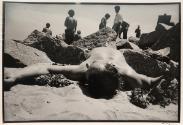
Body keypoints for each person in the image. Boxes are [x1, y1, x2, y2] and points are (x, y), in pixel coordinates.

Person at [4, 47, 163, 98]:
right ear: (113, 68)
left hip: (95, 52)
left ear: (87, 69)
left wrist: (16, 76)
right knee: (136, 78)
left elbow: (44, 66)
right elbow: (147, 81)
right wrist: (151, 82)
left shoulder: (82, 69)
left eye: (93, 64)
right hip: (112, 52)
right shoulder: (122, 69)